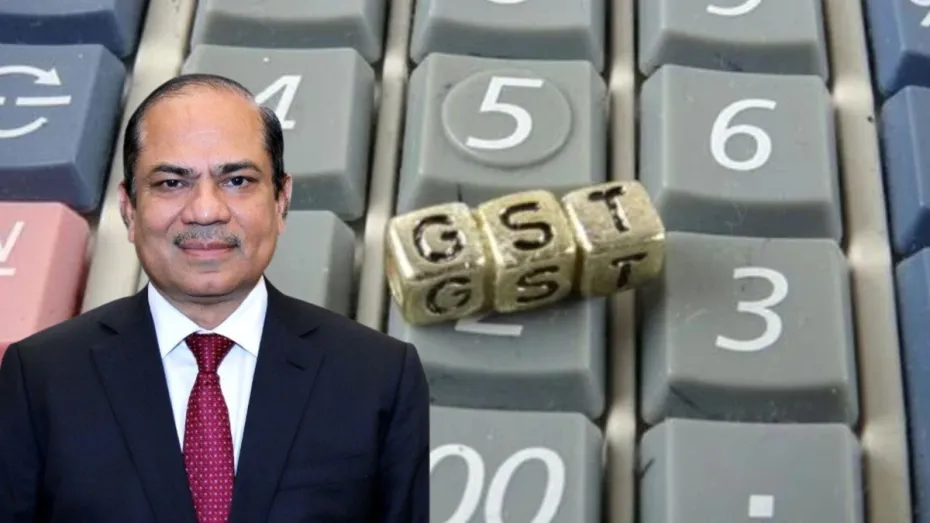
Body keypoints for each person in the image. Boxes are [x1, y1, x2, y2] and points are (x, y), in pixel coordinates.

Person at [0, 74, 429, 523]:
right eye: (171, 183)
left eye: (237, 180)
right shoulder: (41, 377)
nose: (205, 210)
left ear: (281, 201)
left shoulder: (380, 376)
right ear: (129, 209)